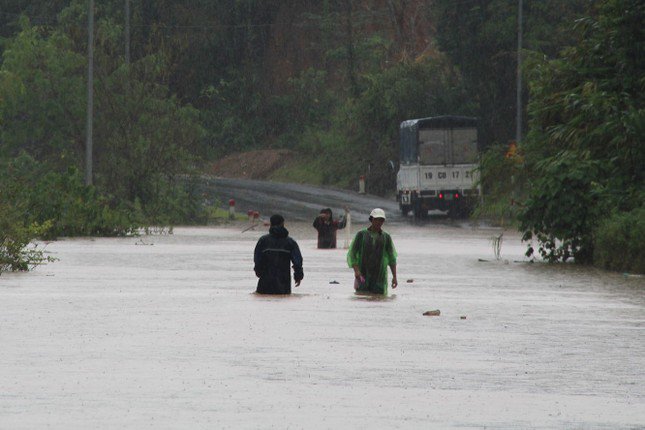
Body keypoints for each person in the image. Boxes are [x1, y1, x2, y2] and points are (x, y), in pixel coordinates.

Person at [346, 208, 398, 295]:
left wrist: (394, 277)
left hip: (379, 277)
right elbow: (352, 254)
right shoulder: (361, 235)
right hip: (363, 274)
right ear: (371, 219)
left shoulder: (386, 237)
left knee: (379, 298)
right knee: (362, 297)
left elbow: (392, 258)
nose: (379, 222)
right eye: (376, 219)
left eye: (381, 220)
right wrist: (356, 271)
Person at [253, 214, 304, 294]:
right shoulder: (290, 242)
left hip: (265, 282)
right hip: (283, 283)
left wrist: (258, 272)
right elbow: (297, 262)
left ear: (271, 224)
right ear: (283, 224)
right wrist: (298, 276)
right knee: (283, 302)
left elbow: (257, 259)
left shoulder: (263, 241)